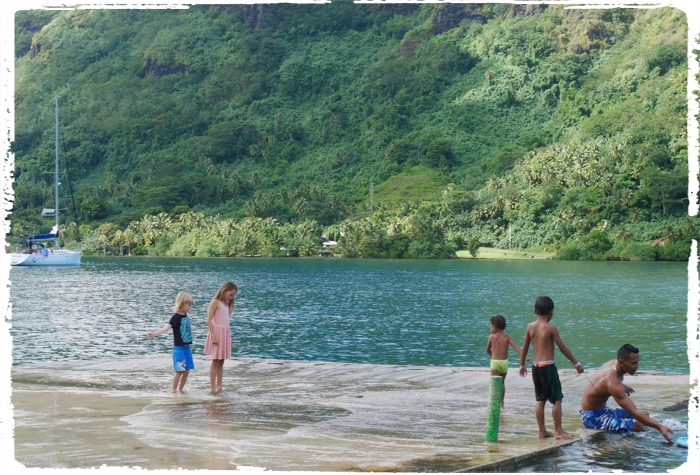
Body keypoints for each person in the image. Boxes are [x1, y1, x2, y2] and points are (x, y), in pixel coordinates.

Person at [519, 296, 585, 438]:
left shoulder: (530, 327)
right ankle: (558, 431)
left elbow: (525, 347)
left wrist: (522, 364)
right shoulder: (551, 328)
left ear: (535, 311)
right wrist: (576, 363)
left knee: (540, 399)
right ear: (552, 312)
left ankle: (541, 431)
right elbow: (562, 348)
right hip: (548, 367)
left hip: (535, 367)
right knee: (556, 399)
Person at [580, 344, 674, 442]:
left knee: (645, 414)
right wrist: (659, 427)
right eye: (633, 363)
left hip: (605, 410)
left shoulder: (613, 364)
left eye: (637, 362)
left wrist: (622, 386)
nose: (637, 366)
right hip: (593, 418)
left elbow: (601, 383)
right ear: (621, 362)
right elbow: (633, 412)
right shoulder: (613, 382)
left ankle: (659, 429)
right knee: (638, 425)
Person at [147, 291, 195, 393]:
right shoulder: (175, 317)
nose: (190, 307)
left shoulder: (186, 315)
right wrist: (154, 333)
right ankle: (173, 391)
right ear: (181, 304)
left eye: (191, 305)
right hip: (179, 349)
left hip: (186, 348)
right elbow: (166, 328)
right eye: (188, 305)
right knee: (179, 371)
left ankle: (181, 390)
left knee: (186, 371)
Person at [486, 314, 529, 409]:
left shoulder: (492, 337)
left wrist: (492, 355)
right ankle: (502, 404)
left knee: (495, 384)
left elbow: (487, 350)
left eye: (491, 326)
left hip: (495, 363)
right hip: (504, 363)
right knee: (502, 384)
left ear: (494, 327)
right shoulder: (507, 337)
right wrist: (524, 356)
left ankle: (494, 404)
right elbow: (516, 347)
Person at [204, 281, 237, 394]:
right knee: (215, 361)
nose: (232, 298)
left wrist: (230, 339)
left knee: (221, 361)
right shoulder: (215, 302)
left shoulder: (226, 304)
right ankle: (213, 387)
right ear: (224, 291)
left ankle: (220, 386)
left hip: (225, 335)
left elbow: (227, 324)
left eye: (233, 296)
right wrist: (213, 335)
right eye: (230, 295)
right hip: (217, 334)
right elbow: (209, 320)